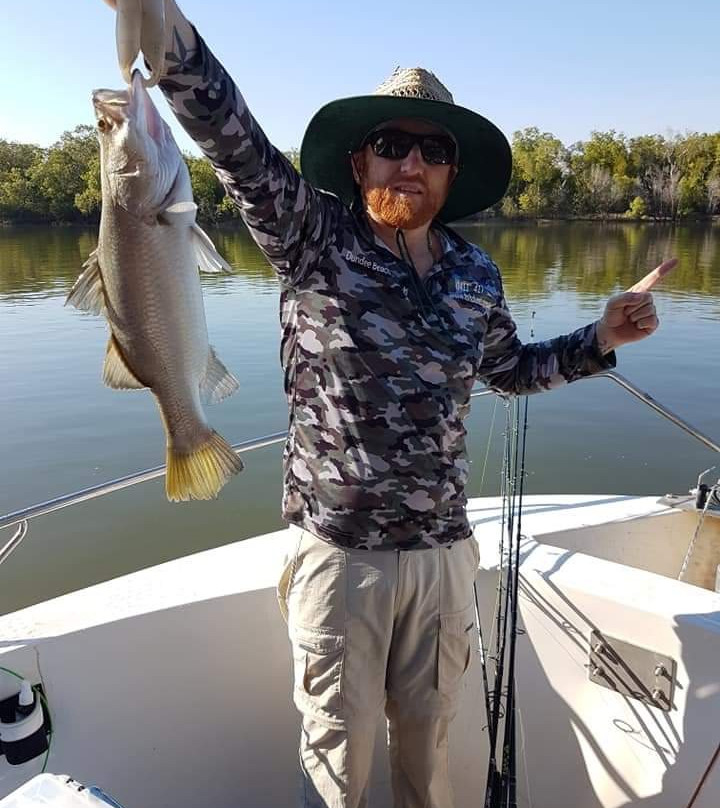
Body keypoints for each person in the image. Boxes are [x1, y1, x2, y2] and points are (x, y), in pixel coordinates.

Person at [101, 3, 675, 806]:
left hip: (442, 559)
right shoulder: (312, 235)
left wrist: (603, 335)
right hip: (341, 561)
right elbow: (232, 139)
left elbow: (510, 370)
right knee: (336, 772)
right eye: (393, 145)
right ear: (361, 161)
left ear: (450, 172)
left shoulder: (477, 274)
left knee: (428, 769)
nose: (411, 164)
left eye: (432, 150)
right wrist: (160, 33)